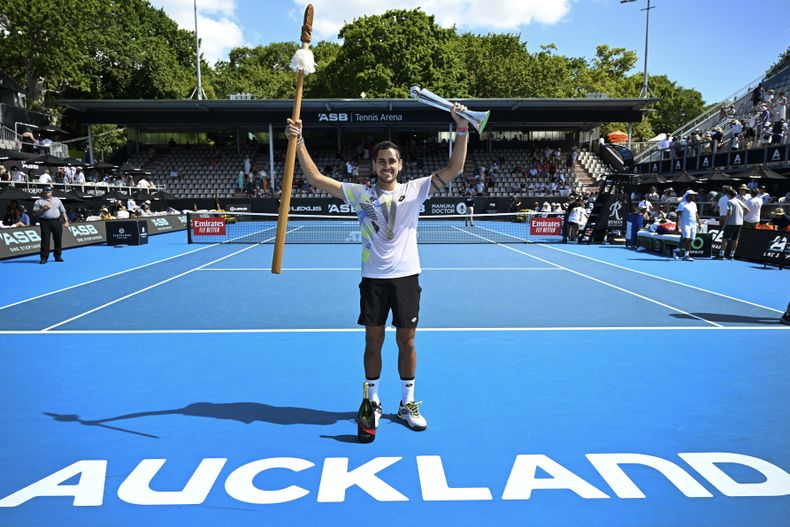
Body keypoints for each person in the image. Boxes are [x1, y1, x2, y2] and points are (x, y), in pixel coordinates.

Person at [284, 102, 471, 434]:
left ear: (400, 165)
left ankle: (406, 403)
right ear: (374, 165)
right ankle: (372, 401)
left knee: (407, 343)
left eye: (392, 161)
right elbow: (314, 177)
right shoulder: (359, 194)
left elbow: (456, 167)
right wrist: (298, 141)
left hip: (406, 278)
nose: (387, 165)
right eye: (381, 161)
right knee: (373, 342)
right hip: (373, 280)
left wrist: (461, 126)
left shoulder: (416, 190)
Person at [32, 187, 69, 264]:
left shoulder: (57, 200)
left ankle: (58, 256)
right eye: (45, 191)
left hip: (56, 221)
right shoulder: (39, 201)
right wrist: (44, 208)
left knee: (58, 239)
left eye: (48, 191)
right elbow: (34, 213)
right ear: (43, 192)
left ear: (51, 192)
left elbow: (63, 212)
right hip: (45, 222)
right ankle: (44, 257)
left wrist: (66, 221)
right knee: (45, 240)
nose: (47, 192)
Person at [715, 188, 747, 260]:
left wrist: (725, 224)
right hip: (739, 223)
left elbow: (729, 213)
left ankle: (721, 254)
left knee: (724, 239)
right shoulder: (739, 201)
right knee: (735, 239)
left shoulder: (730, 201)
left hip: (731, 223)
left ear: (729, 195)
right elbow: (747, 210)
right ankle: (732, 255)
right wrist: (741, 216)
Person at [674, 190, 700, 261]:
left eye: (694, 195)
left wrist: (699, 223)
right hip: (685, 224)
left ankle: (686, 255)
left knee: (691, 239)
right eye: (692, 195)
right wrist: (677, 226)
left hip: (693, 225)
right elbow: (678, 216)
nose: (694, 196)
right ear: (687, 196)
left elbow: (696, 214)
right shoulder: (682, 204)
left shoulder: (694, 204)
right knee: (686, 238)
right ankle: (676, 251)